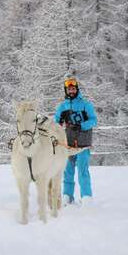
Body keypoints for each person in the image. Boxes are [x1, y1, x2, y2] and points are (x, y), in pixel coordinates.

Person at [54, 74, 97, 205]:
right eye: (69, 89)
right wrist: (58, 125)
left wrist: (81, 125)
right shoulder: (62, 107)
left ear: (77, 89)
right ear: (66, 91)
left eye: (73, 89)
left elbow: (93, 120)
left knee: (82, 170)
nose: (71, 91)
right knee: (68, 170)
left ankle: (86, 197)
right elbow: (56, 123)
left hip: (82, 143)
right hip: (67, 143)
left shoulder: (85, 104)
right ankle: (67, 196)